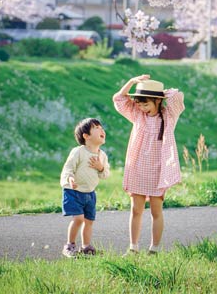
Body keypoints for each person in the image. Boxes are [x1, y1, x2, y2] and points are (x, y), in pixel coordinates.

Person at [113, 74, 185, 254]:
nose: (142, 108)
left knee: (156, 211)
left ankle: (154, 248)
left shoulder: (169, 116)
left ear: (157, 101)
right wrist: (132, 82)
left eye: (146, 103)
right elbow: (119, 98)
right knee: (136, 210)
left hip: (158, 170)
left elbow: (178, 96)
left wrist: (160, 92)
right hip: (137, 167)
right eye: (140, 103)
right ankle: (133, 247)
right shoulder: (137, 115)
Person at [60, 117, 110, 257]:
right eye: (96, 128)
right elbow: (68, 168)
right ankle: (69, 245)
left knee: (89, 221)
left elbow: (105, 174)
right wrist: (70, 178)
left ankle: (86, 247)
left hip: (90, 193)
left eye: (101, 127)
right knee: (78, 219)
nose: (102, 130)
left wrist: (100, 167)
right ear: (86, 136)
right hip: (73, 191)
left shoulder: (102, 156)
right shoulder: (79, 151)